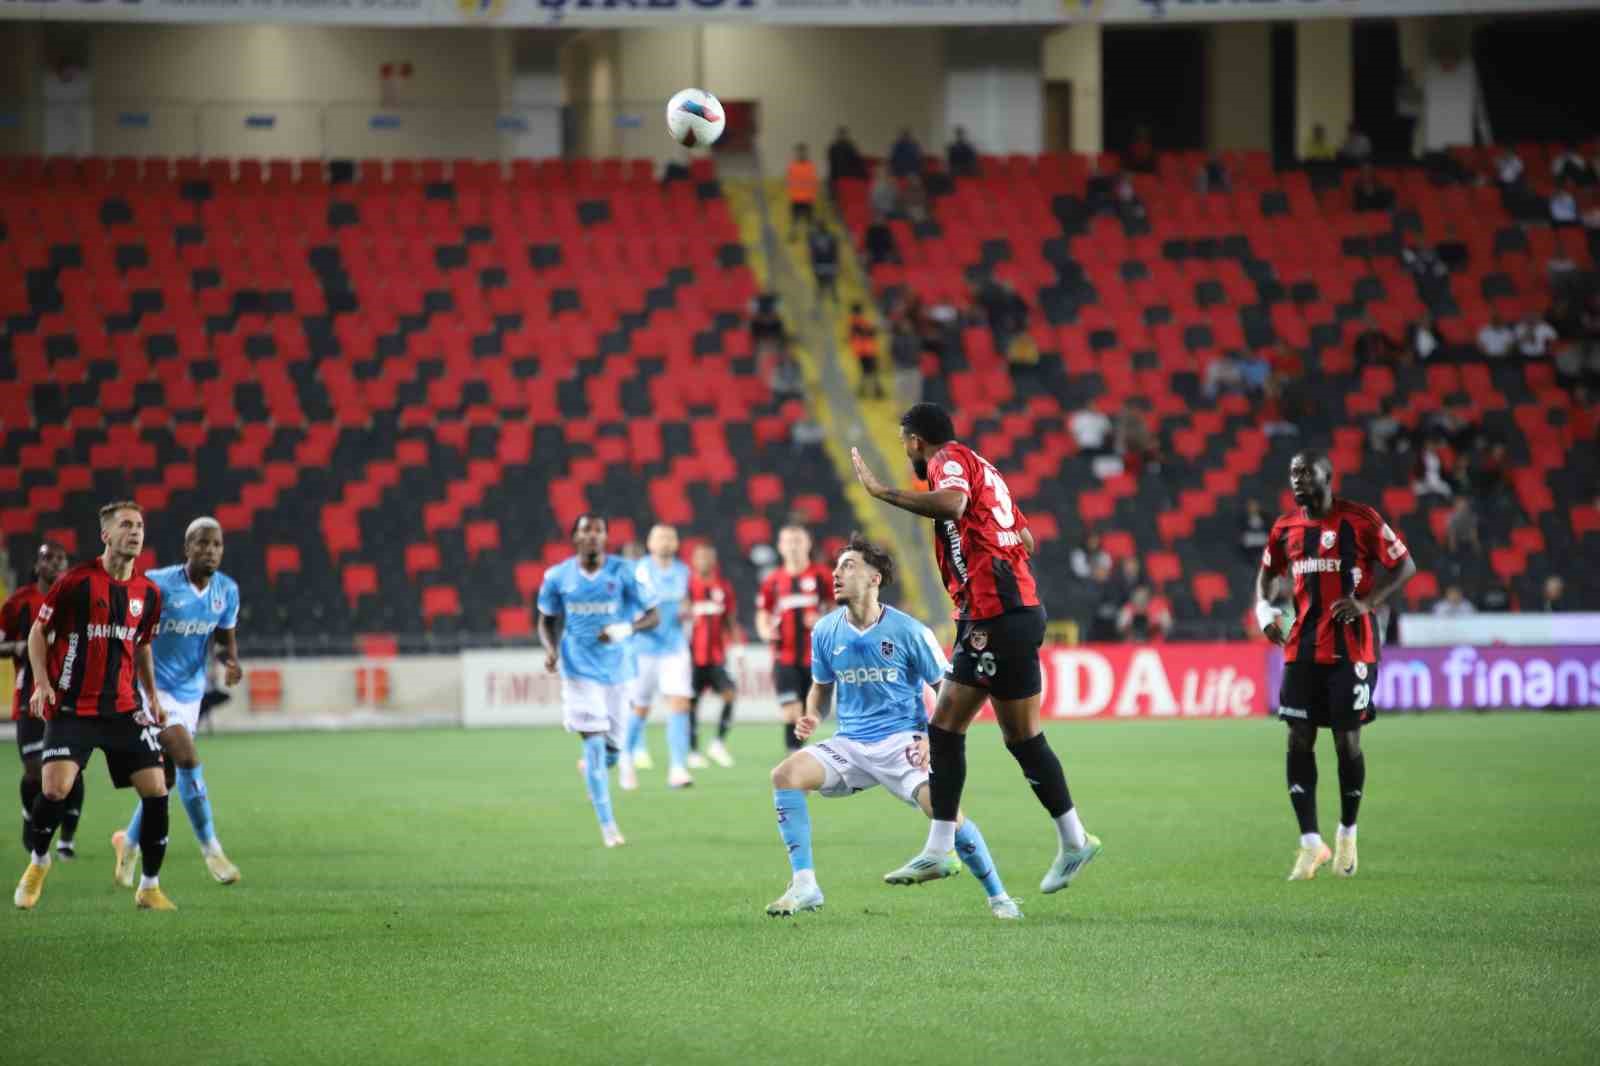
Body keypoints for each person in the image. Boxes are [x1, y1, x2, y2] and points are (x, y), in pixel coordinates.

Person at [850, 403, 1101, 895]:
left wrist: (882, 493)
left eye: (905, 442)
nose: (905, 452)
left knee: (944, 727)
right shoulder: (987, 470)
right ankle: (1074, 839)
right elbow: (1024, 538)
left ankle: (941, 849)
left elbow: (954, 506)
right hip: (1019, 608)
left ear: (917, 440)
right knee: (1023, 738)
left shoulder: (947, 461)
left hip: (993, 613)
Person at [765, 535, 1020, 920]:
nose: (836, 573)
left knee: (945, 811)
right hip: (849, 744)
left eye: (848, 566)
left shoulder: (910, 632)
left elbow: (948, 692)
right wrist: (813, 714)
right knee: (785, 775)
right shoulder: (825, 631)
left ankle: (999, 897)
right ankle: (805, 884)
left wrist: (934, 741)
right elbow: (820, 687)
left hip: (902, 741)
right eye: (836, 567)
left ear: (874, 578)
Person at [1255, 452, 1416, 882]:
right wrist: (1265, 614)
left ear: (1328, 476)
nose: (1298, 479)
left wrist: (1366, 602)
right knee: (1297, 738)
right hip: (1303, 647)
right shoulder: (1285, 528)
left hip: (1353, 647)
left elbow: (1405, 565)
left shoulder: (1360, 519)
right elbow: (1267, 576)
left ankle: (1347, 831)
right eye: (1293, 473)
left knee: (1347, 743)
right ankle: (1311, 843)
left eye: (1306, 472)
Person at [14, 501, 176, 911]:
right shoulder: (77, 581)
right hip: (73, 708)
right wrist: (42, 684)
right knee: (54, 788)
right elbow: (38, 633)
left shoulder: (149, 594)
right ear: (106, 535)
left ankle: (149, 886)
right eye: (126, 525)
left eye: (139, 525)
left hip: (123, 708)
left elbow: (142, 647)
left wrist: (152, 696)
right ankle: (38, 863)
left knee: (157, 790)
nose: (135, 532)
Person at [111, 517, 244, 890]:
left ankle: (129, 843)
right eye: (202, 544)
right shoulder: (159, 584)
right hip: (151, 691)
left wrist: (230, 662)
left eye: (216, 544)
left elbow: (223, 641)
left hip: (190, 693)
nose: (210, 551)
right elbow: (135, 636)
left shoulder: (226, 591)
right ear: (187, 548)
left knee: (163, 779)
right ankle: (212, 850)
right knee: (187, 758)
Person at [537, 515, 660, 848]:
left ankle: (595, 770)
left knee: (612, 750)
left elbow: (654, 615)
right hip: (578, 670)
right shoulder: (557, 576)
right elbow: (547, 620)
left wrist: (626, 628)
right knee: (592, 740)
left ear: (606, 537)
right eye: (585, 531)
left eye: (598, 531)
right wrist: (551, 650)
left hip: (618, 671)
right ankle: (608, 826)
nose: (592, 536)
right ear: (575, 537)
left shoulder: (624, 573)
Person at [1, 543, 72, 859]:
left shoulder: (74, 600)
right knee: (34, 771)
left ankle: (66, 842)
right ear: (37, 563)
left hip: (68, 695)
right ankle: (31, 819)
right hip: (30, 694)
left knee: (71, 772)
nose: (54, 563)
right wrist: (18, 647)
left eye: (60, 558)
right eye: (48, 557)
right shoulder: (18, 603)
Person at [624, 524, 696, 790]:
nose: (665, 542)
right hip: (642, 649)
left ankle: (677, 768)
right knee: (639, 708)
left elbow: (687, 602)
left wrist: (687, 611)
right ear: (650, 543)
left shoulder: (684, 572)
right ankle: (626, 758)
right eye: (660, 537)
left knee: (679, 703)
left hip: (674, 647)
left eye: (670, 537)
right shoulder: (638, 570)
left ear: (676, 544)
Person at [755, 524, 833, 753]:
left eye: (798, 540)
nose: (793, 546)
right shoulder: (773, 580)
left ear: (807, 544)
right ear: (780, 547)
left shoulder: (822, 576)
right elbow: (764, 612)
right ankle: (794, 755)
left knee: (808, 712)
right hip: (784, 656)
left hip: (815, 657)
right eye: (788, 541)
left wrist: (822, 619)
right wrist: (764, 630)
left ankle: (799, 754)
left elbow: (835, 608)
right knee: (791, 709)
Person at [686, 542, 739, 769]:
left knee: (730, 694)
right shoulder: (686, 587)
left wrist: (738, 648)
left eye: (708, 557)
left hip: (716, 657)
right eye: (700, 557)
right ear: (693, 561)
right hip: (691, 658)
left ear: (714, 561)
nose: (704, 561)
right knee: (691, 704)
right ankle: (693, 750)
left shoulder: (723, 587)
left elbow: (730, 621)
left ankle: (717, 743)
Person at [849, 303, 885, 400]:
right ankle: (876, 391)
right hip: (866, 351)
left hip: (862, 351)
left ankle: (865, 391)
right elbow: (867, 333)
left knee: (867, 372)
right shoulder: (858, 322)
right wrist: (873, 330)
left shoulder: (855, 322)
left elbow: (866, 333)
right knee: (872, 371)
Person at [889, 317, 922, 409]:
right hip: (901, 369)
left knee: (915, 393)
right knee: (899, 393)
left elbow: (918, 352)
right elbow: (893, 353)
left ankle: (915, 412)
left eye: (908, 325)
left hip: (913, 368)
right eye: (904, 325)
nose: (906, 327)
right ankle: (899, 412)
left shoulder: (915, 338)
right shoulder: (896, 339)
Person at [826, 126, 867, 193]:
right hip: (845, 178)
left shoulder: (833, 147)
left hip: (839, 178)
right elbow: (858, 162)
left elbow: (831, 164)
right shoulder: (850, 147)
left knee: (839, 198)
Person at [807, 221, 839, 302]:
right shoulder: (828, 237)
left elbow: (835, 250)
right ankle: (829, 295)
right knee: (826, 281)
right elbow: (812, 251)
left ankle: (830, 295)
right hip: (824, 262)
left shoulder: (828, 237)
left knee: (828, 281)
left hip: (826, 262)